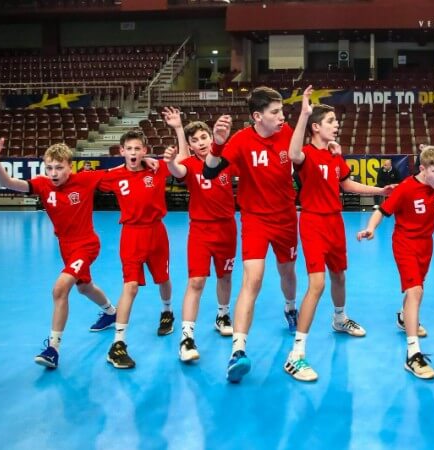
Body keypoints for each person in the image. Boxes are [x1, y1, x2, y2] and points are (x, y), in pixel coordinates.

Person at [282, 86, 395, 382]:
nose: (336, 126)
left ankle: (340, 319)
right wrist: (304, 114)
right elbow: (292, 153)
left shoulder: (334, 156)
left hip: (335, 222)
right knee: (317, 284)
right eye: (331, 121)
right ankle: (296, 354)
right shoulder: (305, 154)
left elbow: (347, 184)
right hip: (312, 222)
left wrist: (380, 191)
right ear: (316, 127)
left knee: (339, 277)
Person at [0, 134, 117, 369]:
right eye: (50, 168)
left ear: (70, 166)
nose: (54, 173)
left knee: (59, 289)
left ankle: (53, 349)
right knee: (84, 287)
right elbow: (8, 183)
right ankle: (111, 312)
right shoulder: (42, 184)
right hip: (65, 247)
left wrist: (145, 161)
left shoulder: (85, 179)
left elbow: (119, 171)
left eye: (59, 168)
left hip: (86, 245)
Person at [203, 86, 299, 383]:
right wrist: (217, 144)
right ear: (258, 116)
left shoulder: (287, 133)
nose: (282, 117)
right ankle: (238, 350)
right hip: (255, 219)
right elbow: (209, 172)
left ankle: (290, 308)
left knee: (287, 271)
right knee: (252, 279)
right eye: (275, 112)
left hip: (286, 218)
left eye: (282, 111)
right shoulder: (241, 140)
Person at [357, 146, 434, 380]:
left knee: (415, 289)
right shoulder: (406, 188)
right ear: (422, 169)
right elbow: (382, 210)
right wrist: (370, 228)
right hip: (405, 243)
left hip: (426, 245)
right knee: (415, 291)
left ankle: (402, 316)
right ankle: (413, 354)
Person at [161, 107, 238, 363]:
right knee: (196, 282)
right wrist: (170, 161)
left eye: (204, 137)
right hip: (201, 230)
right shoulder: (189, 165)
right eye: (194, 140)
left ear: (211, 137)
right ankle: (186, 338)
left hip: (227, 228)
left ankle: (222, 315)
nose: (200, 143)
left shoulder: (225, 160)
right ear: (191, 146)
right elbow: (177, 170)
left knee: (225, 276)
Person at [100, 129, 176, 369]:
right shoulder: (113, 175)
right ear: (122, 151)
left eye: (137, 149)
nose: (133, 152)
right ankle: (118, 343)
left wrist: (157, 156)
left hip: (157, 233)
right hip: (131, 235)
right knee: (130, 286)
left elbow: (181, 162)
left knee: (163, 278)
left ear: (144, 150)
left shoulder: (157, 169)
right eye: (129, 149)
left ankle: (167, 311)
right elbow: (83, 180)